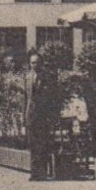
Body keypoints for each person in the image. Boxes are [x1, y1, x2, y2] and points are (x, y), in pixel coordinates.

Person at [26, 53, 66, 182]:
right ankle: (34, 173)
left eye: (36, 62)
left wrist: (52, 116)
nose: (34, 65)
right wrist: (24, 116)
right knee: (33, 145)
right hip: (31, 115)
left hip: (43, 116)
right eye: (32, 63)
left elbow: (52, 98)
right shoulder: (27, 77)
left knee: (43, 144)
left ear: (41, 64)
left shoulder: (47, 78)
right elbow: (25, 99)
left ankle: (43, 173)